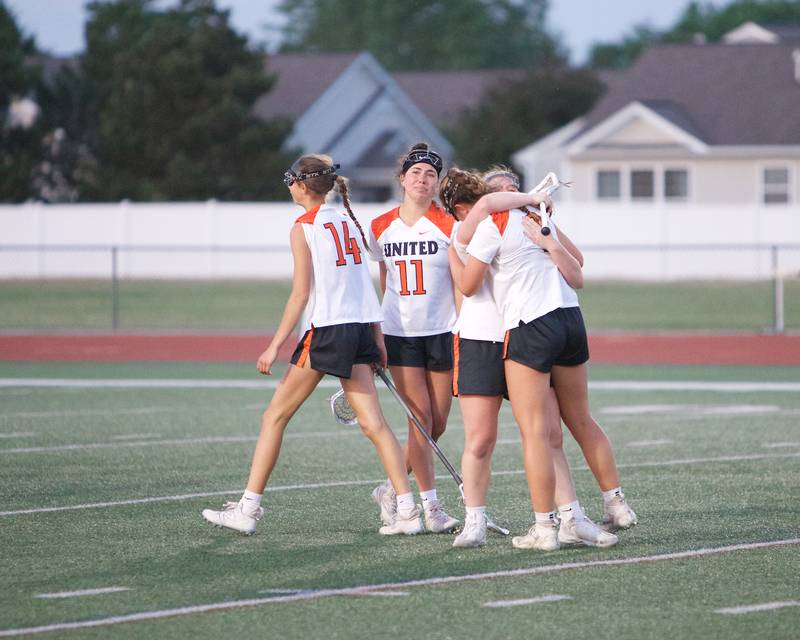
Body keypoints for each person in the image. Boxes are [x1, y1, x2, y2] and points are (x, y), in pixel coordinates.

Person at [202, 154, 422, 536]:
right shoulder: (348, 222)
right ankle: (407, 511)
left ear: (302, 186)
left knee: (274, 417)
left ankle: (248, 510)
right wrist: (376, 337)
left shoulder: (303, 226)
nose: (287, 186)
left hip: (327, 332)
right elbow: (362, 285)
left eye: (290, 179)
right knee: (375, 424)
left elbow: (300, 294)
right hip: (357, 329)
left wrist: (273, 347)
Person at [452, 167, 636, 551]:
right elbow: (578, 271)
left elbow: (469, 286)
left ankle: (545, 528)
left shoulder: (494, 219)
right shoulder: (540, 218)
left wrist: (454, 253)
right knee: (574, 421)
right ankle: (613, 503)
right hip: (570, 319)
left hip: (528, 325)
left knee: (535, 431)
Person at [367, 142, 459, 534]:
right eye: (416, 173)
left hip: (442, 330)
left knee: (436, 424)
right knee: (418, 420)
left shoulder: (450, 224)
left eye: (431, 174)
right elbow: (385, 275)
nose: (423, 180)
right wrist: (379, 331)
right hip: (400, 334)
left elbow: (459, 278)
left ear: (438, 183)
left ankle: (391, 486)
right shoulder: (380, 226)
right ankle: (430, 508)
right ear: (402, 179)